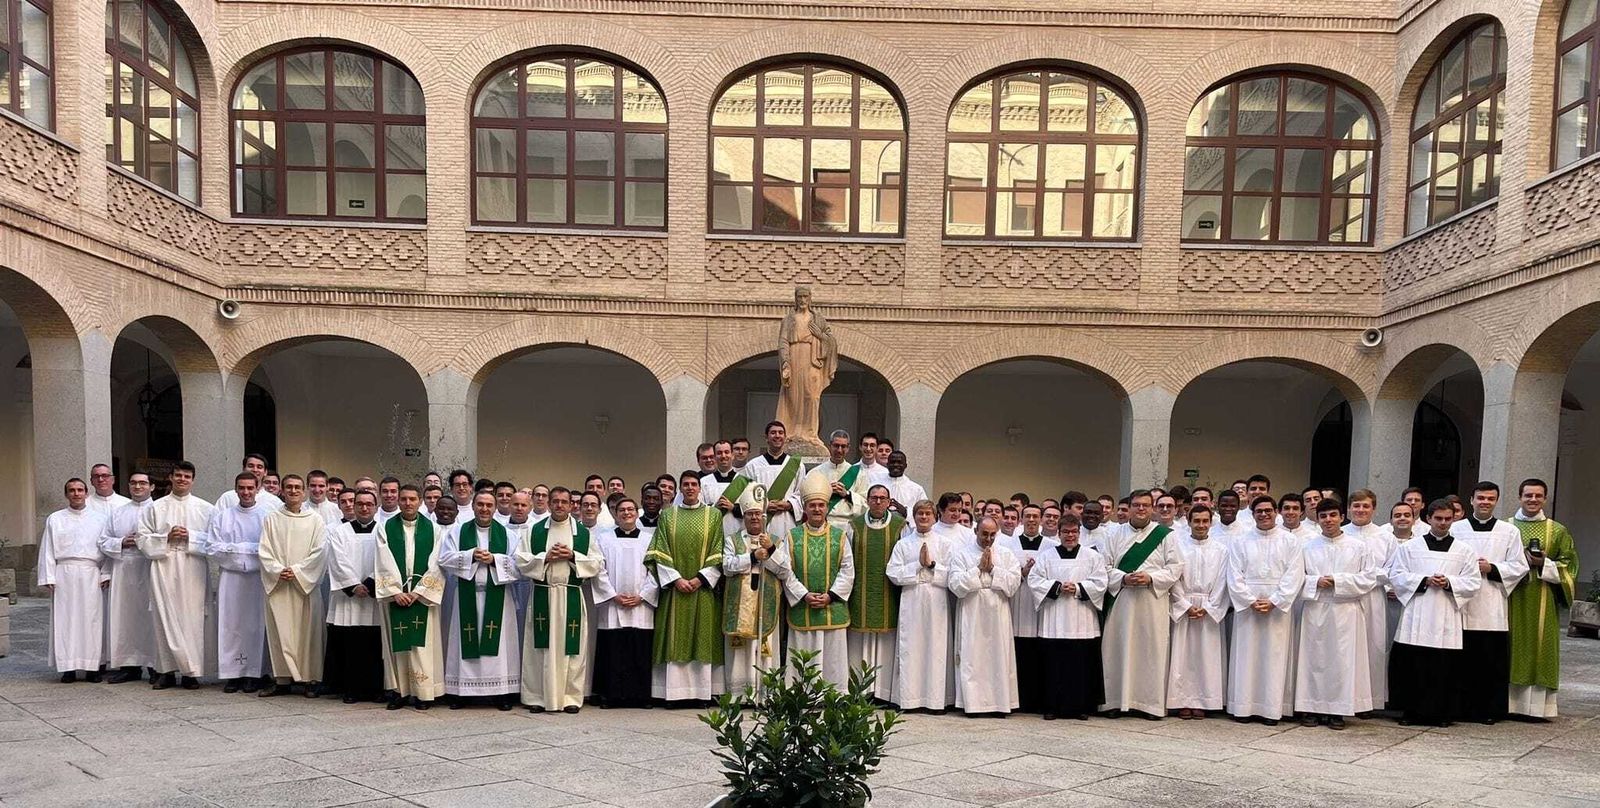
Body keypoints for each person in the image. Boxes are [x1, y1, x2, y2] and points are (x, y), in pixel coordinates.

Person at [1388, 499, 1482, 727]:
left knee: (1443, 667)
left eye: (1447, 519)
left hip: (1446, 614)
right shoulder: (1410, 547)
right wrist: (1424, 580)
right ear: (1428, 518)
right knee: (1414, 665)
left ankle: (1441, 714)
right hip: (1417, 613)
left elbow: (1473, 582)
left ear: (1453, 519)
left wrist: (1449, 582)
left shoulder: (1464, 550)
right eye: (1438, 518)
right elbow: (1396, 576)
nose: (1443, 523)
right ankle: (1411, 711)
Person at [516, 486, 602, 713]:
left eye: (565, 502)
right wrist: (546, 558)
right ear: (548, 503)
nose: (560, 505)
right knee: (538, 650)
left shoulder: (582, 534)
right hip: (543, 595)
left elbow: (596, 563)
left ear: (571, 505)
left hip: (570, 594)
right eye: (556, 501)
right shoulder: (533, 531)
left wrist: (572, 555)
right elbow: (521, 560)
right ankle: (537, 697)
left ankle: (570, 698)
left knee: (571, 651)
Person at [1449, 482, 1528, 725]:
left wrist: (1491, 568)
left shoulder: (1509, 531)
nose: (1485, 502)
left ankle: (1488, 710)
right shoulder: (1456, 528)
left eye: (1490, 499)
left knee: (1489, 662)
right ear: (1471, 500)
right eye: (1480, 498)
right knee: (1461, 661)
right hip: (1460, 603)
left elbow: (1519, 566)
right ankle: (1458, 708)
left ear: (1496, 501)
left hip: (1492, 603)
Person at [1295, 498, 1378, 730]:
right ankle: (1311, 707)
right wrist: (1314, 581)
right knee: (1313, 659)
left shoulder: (1358, 546)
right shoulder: (1307, 547)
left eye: (1333, 515)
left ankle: (1337, 710)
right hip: (1316, 606)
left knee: (1342, 661)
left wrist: (1338, 581)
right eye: (1323, 516)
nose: (1328, 520)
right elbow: (1295, 577)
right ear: (1317, 519)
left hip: (1345, 609)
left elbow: (1369, 578)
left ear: (1342, 517)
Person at [1101, 490, 1183, 720]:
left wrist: (1151, 578)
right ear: (1129, 507)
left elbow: (1175, 567)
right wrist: (1123, 578)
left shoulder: (1166, 536)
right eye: (1136, 505)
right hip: (1122, 602)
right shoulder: (1113, 535)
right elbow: (1103, 567)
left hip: (1151, 601)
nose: (1141, 509)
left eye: (1146, 505)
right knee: (1117, 649)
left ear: (1153, 508)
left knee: (1150, 651)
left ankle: (1149, 704)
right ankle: (1115, 702)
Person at [646, 471, 725, 704]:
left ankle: (702, 693)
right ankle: (672, 693)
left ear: (700, 488)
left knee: (702, 635)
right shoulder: (668, 516)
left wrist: (701, 578)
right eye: (686, 485)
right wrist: (677, 579)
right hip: (675, 589)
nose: (690, 488)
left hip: (703, 588)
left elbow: (718, 550)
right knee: (674, 635)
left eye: (694, 484)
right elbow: (659, 551)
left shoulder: (714, 516)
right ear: (680, 489)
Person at [771, 472, 855, 687]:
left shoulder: (840, 535)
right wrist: (804, 595)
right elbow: (786, 571)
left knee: (832, 657)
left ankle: (834, 694)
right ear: (805, 509)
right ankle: (801, 693)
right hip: (803, 605)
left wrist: (830, 596)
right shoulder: (792, 536)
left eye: (821, 505)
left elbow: (847, 569)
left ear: (827, 507)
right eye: (812, 505)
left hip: (831, 606)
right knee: (803, 655)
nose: (817, 509)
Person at [1224, 496, 1302, 725]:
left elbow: (1294, 574)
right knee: (1246, 657)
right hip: (1248, 608)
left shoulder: (1290, 541)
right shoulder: (1240, 541)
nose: (1264, 514)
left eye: (1268, 510)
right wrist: (1249, 600)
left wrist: (1276, 600)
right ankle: (1244, 708)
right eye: (1259, 511)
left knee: (1274, 657)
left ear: (1276, 512)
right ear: (1252, 513)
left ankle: (1271, 709)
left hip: (1277, 608)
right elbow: (1234, 574)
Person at [440, 490, 521, 710]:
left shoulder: (508, 535)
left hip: (499, 598)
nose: (484, 509)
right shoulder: (457, 532)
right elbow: (444, 559)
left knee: (500, 649)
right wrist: (470, 556)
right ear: (473, 506)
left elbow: (521, 566)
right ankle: (461, 693)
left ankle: (501, 693)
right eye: (480, 504)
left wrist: (495, 559)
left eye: (489, 505)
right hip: (466, 595)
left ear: (495, 508)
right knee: (464, 643)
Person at [139, 461, 216, 690]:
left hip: (192, 565)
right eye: (178, 475)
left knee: (192, 619)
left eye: (187, 476)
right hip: (164, 563)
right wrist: (165, 538)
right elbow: (142, 539)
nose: (182, 479)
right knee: (163, 617)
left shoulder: (206, 508)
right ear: (171, 478)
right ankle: (166, 671)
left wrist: (190, 536)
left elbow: (214, 541)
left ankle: (191, 672)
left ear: (193, 480)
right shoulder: (155, 507)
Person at [1507, 478, 1579, 720]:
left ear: (1545, 499)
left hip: (1542, 597)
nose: (1533, 500)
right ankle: (1507, 704)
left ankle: (1537, 709)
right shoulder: (1506, 527)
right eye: (1528, 495)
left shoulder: (1557, 530)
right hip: (1510, 596)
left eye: (1538, 496)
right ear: (1520, 497)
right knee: (1509, 645)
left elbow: (1570, 566)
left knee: (1540, 646)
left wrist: (1543, 563)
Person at [1028, 512, 1107, 720]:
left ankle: (1081, 707)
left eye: (1073, 532)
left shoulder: (1092, 556)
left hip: (1082, 621)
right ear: (1059, 533)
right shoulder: (1047, 556)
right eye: (1065, 532)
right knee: (1054, 665)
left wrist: (1079, 588)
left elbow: (1101, 582)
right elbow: (1034, 580)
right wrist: (1056, 587)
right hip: (1054, 620)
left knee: (1080, 666)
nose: (1069, 536)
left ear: (1079, 533)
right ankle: (1052, 706)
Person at [375, 485, 446, 710]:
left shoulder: (433, 529)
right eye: (403, 499)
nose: (407, 503)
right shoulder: (385, 527)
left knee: (422, 646)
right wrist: (396, 592)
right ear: (398, 500)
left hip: (421, 597)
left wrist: (418, 592)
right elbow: (382, 560)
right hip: (397, 595)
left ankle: (423, 693)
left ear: (420, 501)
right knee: (398, 646)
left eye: (412, 499)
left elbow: (437, 564)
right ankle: (399, 691)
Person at [258, 474, 328, 697]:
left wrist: (297, 571)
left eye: (298, 487)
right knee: (281, 633)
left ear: (304, 491)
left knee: (308, 634)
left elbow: (320, 552)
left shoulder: (315, 519)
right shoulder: (271, 518)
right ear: (282, 490)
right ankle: (282, 680)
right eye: (289, 487)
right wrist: (279, 571)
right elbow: (264, 550)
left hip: (304, 586)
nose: (294, 491)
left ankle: (309, 680)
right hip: (279, 586)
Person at [37, 478, 110, 683]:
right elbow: (48, 549)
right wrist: (49, 576)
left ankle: (92, 667)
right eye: (72, 490)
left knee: (92, 620)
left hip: (91, 573)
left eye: (80, 490)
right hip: (64, 573)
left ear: (86, 493)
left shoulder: (100, 519)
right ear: (66, 494)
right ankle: (68, 667)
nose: (76, 493)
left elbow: (106, 549)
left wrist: (106, 573)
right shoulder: (55, 519)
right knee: (65, 620)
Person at [947, 517, 1020, 716]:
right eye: (984, 534)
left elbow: (1013, 584)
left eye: (992, 534)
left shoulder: (1006, 554)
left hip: (998, 611)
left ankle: (999, 703)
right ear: (976, 531)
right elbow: (955, 585)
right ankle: (973, 704)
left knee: (997, 655)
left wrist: (993, 569)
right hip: (972, 610)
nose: (988, 539)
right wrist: (978, 569)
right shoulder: (962, 555)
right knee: (973, 655)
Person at [207, 472, 271, 693]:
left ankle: (254, 673)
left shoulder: (266, 516)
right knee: (230, 624)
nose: (245, 492)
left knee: (255, 625)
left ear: (257, 489)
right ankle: (232, 674)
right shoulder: (223, 517)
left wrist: (236, 548)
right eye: (241, 488)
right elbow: (213, 548)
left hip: (257, 580)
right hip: (231, 580)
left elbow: (268, 550)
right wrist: (247, 551)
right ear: (235, 490)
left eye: (250, 488)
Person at [888, 500, 954, 712]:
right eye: (920, 514)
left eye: (928, 514)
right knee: (911, 647)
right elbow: (893, 573)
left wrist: (932, 565)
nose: (924, 517)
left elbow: (953, 575)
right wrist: (918, 564)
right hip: (912, 598)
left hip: (936, 598)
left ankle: (935, 701)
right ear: (914, 517)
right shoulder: (903, 544)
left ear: (935, 517)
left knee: (936, 647)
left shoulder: (944, 544)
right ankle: (910, 699)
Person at [591, 499, 656, 708]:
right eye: (621, 510)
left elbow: (657, 569)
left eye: (630, 509)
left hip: (641, 605)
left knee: (639, 650)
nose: (626, 513)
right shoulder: (604, 539)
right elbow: (598, 569)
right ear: (615, 514)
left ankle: (641, 696)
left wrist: (643, 595)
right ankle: (611, 696)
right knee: (613, 650)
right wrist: (612, 595)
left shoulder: (650, 539)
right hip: (613, 604)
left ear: (637, 514)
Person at [1168, 505, 1228, 719]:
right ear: (1189, 522)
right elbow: (1173, 577)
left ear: (1211, 522)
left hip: (1208, 607)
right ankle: (1182, 700)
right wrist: (1184, 604)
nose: (1201, 525)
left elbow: (1223, 581)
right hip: (1185, 604)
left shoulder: (1221, 550)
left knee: (1206, 657)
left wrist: (1210, 607)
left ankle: (1204, 700)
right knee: (1183, 656)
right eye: (1197, 521)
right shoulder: (1179, 547)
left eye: (1205, 521)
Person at [721, 488, 784, 695]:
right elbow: (727, 566)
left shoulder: (775, 540)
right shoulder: (732, 540)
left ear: (764, 517)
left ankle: (765, 693)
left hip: (765, 598)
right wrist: (753, 557)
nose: (754, 517)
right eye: (750, 514)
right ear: (744, 516)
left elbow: (784, 570)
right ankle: (740, 693)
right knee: (740, 650)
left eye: (758, 514)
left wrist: (771, 549)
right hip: (740, 600)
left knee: (764, 648)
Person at [325, 490, 385, 703]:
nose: (364, 507)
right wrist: (353, 586)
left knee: (375, 645)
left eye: (369, 504)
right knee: (351, 645)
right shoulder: (339, 532)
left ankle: (376, 688)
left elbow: (386, 560)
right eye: (360, 504)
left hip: (374, 595)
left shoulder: (383, 531)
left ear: (376, 507)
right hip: (348, 597)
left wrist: (369, 583)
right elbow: (336, 560)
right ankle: (352, 689)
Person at [848, 485, 905, 703]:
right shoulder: (854, 525)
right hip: (860, 593)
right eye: (874, 498)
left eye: (883, 498)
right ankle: (859, 690)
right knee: (859, 642)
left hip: (889, 594)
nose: (878, 502)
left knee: (885, 643)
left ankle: (883, 692)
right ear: (868, 500)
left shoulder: (900, 527)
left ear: (889, 501)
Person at [99, 472, 156, 683]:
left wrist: (144, 543)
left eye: (143, 483)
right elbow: (103, 541)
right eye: (133, 483)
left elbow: (165, 539)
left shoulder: (159, 510)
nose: (138, 486)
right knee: (125, 617)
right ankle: (128, 665)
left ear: (152, 487)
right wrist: (122, 542)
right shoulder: (118, 512)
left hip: (150, 567)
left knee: (151, 617)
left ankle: (155, 665)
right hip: (124, 568)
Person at [1342, 488, 1394, 711]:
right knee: (1346, 649)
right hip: (1344, 599)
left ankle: (1369, 702)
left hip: (1373, 597)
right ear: (1348, 509)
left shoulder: (1385, 537)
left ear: (1374, 508)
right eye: (1356, 506)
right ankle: (1345, 697)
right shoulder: (1340, 534)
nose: (1360, 510)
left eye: (1365, 506)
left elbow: (1393, 569)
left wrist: (1364, 577)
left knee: (1373, 646)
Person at [1001, 503, 1052, 713]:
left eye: (1035, 516)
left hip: (1039, 605)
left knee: (1038, 653)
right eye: (1027, 516)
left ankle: (1036, 700)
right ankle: (1016, 699)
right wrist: (1022, 572)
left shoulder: (1051, 545)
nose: (1031, 520)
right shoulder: (1009, 545)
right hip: (1016, 602)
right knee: (1017, 651)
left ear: (1040, 520)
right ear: (1021, 519)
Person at [736, 421, 805, 539]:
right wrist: (764, 505)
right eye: (773, 433)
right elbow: (746, 494)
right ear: (766, 437)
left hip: (787, 520)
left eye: (780, 433)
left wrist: (789, 504)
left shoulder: (797, 465)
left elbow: (802, 492)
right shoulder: (753, 465)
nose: (777, 435)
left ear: (785, 438)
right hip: (761, 521)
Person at [818, 430, 868, 535]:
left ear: (848, 448)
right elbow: (806, 501)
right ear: (829, 446)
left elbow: (866, 504)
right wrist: (827, 492)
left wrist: (848, 494)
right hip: (823, 524)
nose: (839, 450)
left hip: (848, 526)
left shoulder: (859, 474)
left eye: (843, 446)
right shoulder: (817, 472)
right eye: (836, 446)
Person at [215, 454, 282, 512]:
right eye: (250, 466)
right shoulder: (228, 497)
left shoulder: (275, 502)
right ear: (244, 469)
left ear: (265, 472)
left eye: (259, 467)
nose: (255, 470)